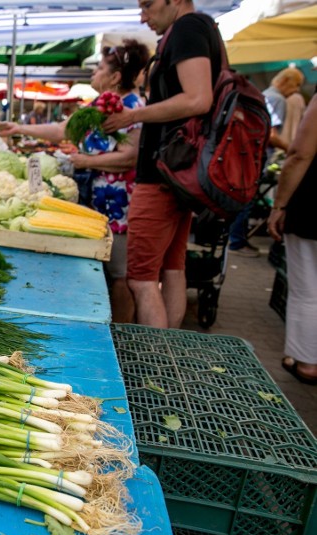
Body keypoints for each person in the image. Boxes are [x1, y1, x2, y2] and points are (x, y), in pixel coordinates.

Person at [5, 39, 150, 323]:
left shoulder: (132, 107)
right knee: (105, 270)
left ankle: (121, 334)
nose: (94, 74)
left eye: (98, 69)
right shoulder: (99, 105)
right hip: (98, 199)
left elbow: (130, 156)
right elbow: (64, 130)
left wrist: (88, 161)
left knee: (120, 273)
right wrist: (19, 128)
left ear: (115, 77)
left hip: (120, 204)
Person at [102, 0, 221, 329]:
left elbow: (198, 98)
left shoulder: (188, 28)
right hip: (179, 175)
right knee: (172, 269)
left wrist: (134, 115)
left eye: (148, 4)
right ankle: (167, 356)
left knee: (141, 279)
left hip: (162, 174)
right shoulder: (202, 27)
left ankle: (154, 360)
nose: (143, 15)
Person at [267, 89, 317, 385]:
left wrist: (280, 204)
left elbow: (301, 152)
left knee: (308, 287)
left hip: (312, 208)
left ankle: (308, 362)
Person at [228, 67, 304, 257]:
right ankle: (237, 241)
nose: (296, 91)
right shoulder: (277, 99)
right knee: (248, 197)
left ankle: (236, 239)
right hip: (257, 156)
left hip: (247, 155)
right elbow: (270, 134)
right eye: (296, 85)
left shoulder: (265, 95)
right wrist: (290, 149)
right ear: (286, 81)